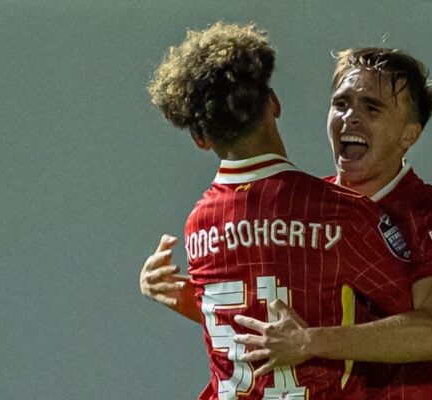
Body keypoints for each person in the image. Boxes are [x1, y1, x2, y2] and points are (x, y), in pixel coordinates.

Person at [142, 22, 417, 399]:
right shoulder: (339, 211)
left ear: (201, 140)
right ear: (273, 102)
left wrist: (178, 295)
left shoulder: (198, 225)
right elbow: (421, 325)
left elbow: (248, 321)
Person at [230, 48, 432, 399]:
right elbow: (272, 326)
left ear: (410, 135)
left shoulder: (431, 217)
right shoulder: (303, 207)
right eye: (341, 103)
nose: (351, 118)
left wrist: (310, 341)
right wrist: (185, 297)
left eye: (372, 107)